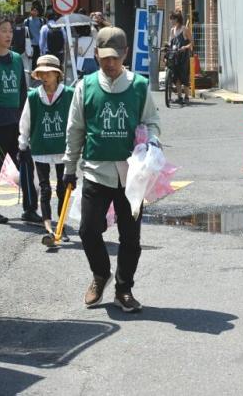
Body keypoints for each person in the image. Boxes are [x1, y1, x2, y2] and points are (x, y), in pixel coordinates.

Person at [63, 26, 161, 312]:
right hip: (96, 170)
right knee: (87, 231)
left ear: (125, 54)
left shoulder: (140, 86)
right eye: (104, 58)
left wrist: (151, 141)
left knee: (131, 238)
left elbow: (152, 121)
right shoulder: (85, 86)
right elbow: (75, 129)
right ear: (96, 55)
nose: (110, 63)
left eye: (115, 58)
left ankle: (123, 289)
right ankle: (100, 274)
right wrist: (69, 168)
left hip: (132, 176)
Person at [0, 17, 40, 224]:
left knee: (26, 166)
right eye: (3, 31)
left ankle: (30, 209)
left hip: (17, 123)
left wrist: (27, 120)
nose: (9, 35)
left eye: (10, 31)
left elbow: (22, 92)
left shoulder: (17, 59)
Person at [18, 55, 73, 237]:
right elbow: (25, 121)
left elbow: (78, 121)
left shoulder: (69, 95)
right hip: (40, 146)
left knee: (62, 187)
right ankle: (48, 226)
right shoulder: (34, 96)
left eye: (48, 73)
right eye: (41, 73)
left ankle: (61, 224)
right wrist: (22, 144)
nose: (44, 77)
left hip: (62, 147)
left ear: (57, 74)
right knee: (45, 188)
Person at [167, 9, 194, 105]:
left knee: (184, 76)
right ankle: (179, 97)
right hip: (175, 55)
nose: (171, 20)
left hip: (183, 56)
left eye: (172, 19)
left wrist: (185, 47)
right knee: (176, 76)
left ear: (177, 19)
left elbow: (192, 43)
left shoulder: (184, 29)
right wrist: (166, 47)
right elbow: (170, 43)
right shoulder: (172, 30)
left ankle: (186, 97)